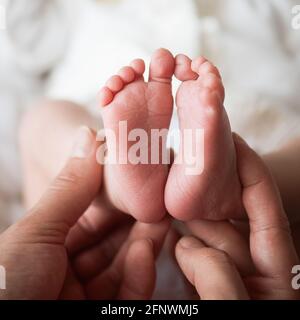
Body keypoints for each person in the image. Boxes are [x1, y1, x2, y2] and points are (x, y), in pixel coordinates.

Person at [0, 124, 299, 299]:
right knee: (276, 221)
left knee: (42, 122)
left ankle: (111, 178)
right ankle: (241, 184)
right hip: (240, 268)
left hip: (86, 248)